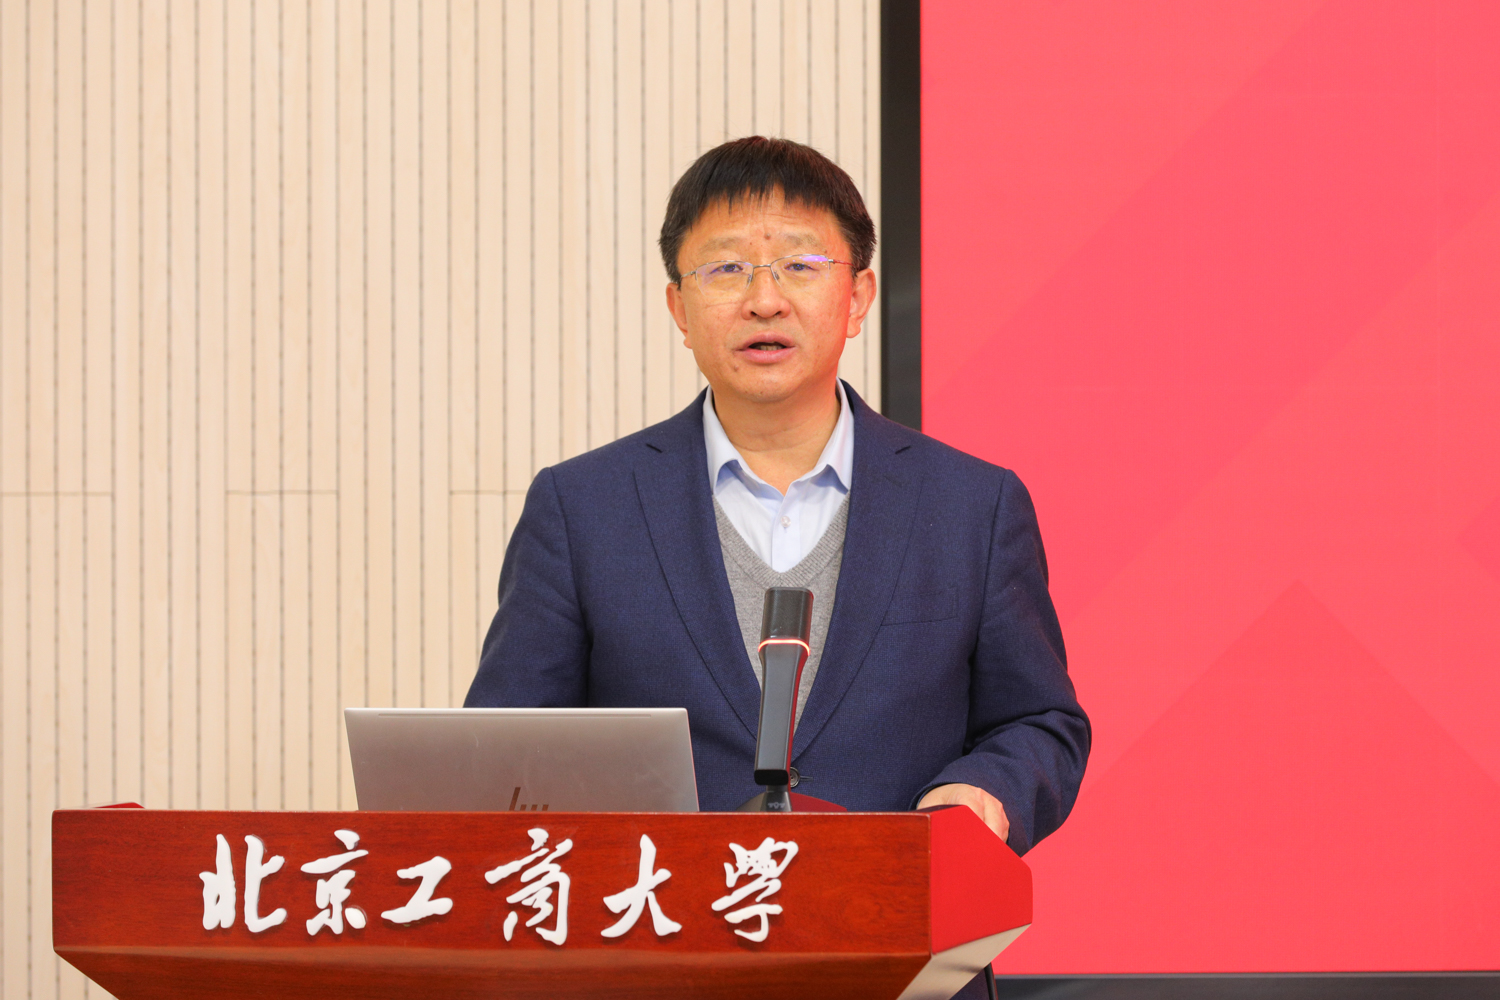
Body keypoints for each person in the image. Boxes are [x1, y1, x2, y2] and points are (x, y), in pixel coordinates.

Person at [466, 139, 1089, 992]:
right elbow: (508, 754)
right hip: (657, 971)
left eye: (800, 264)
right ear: (679, 307)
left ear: (858, 296)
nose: (764, 299)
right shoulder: (582, 507)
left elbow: (1040, 721)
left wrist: (981, 795)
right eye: (726, 269)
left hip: (907, 968)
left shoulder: (972, 505)